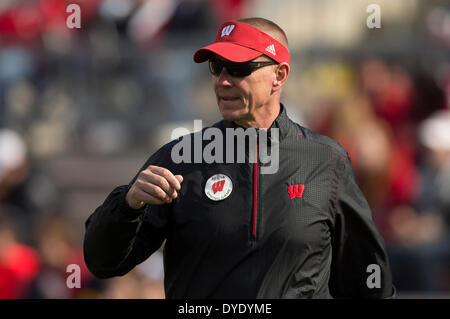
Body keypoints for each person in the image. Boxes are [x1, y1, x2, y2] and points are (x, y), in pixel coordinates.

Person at [84, 17, 395, 298]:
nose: (222, 80)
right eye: (216, 67)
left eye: (239, 68)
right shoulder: (180, 158)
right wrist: (127, 206)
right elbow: (103, 263)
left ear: (279, 75)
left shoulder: (327, 161)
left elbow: (369, 282)